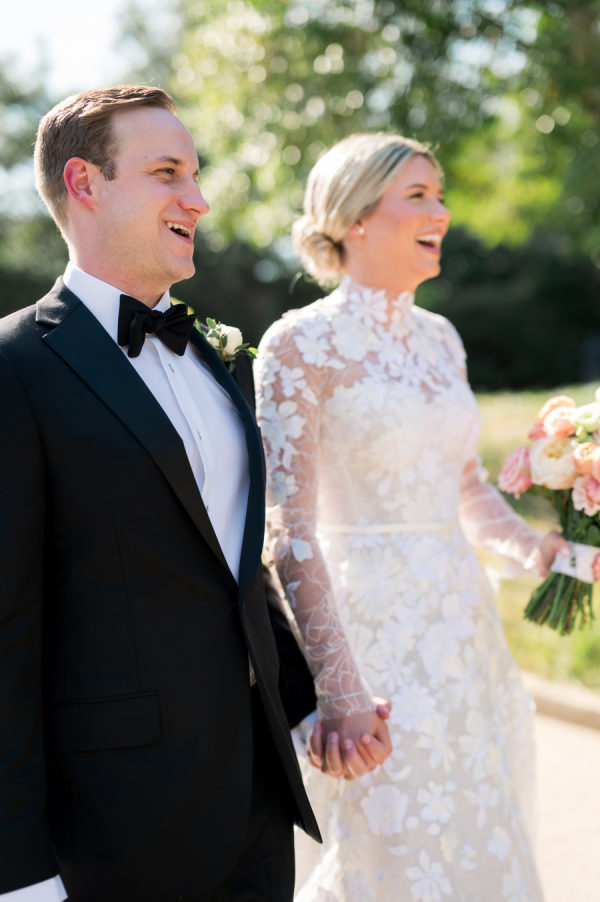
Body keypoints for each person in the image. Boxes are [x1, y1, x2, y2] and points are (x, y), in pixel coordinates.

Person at [0, 84, 327, 902]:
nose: (199, 199)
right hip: (115, 823)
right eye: (168, 173)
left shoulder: (219, 357)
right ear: (85, 183)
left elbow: (230, 562)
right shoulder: (14, 366)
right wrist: (19, 871)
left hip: (256, 799)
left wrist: (307, 703)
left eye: (196, 174)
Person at [255, 133, 565, 900]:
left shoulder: (442, 339)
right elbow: (288, 529)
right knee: (386, 845)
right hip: (367, 637)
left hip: (464, 631)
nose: (442, 213)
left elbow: (466, 489)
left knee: (476, 827)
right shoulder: (299, 345)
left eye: (441, 195)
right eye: (418, 195)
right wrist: (338, 686)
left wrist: (540, 552)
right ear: (356, 217)